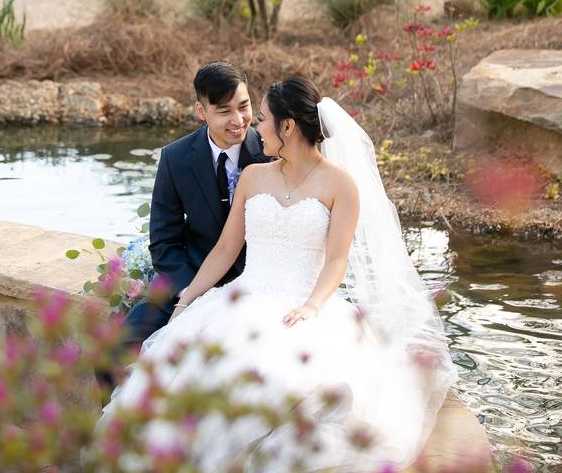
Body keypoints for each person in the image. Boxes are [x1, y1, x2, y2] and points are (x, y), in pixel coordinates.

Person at [100, 77, 458, 471]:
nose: (255, 128)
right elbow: (224, 250)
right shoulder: (255, 177)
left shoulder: (341, 185)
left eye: (263, 119)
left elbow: (337, 260)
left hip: (301, 304)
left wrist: (312, 306)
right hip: (242, 298)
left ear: (287, 126)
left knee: (278, 380)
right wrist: (187, 299)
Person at [122, 61, 268, 346]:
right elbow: (164, 241)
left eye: (243, 106)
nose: (238, 120)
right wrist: (191, 291)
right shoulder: (175, 158)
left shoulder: (272, 152)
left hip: (258, 288)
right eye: (224, 111)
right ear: (202, 112)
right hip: (192, 282)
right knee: (119, 345)